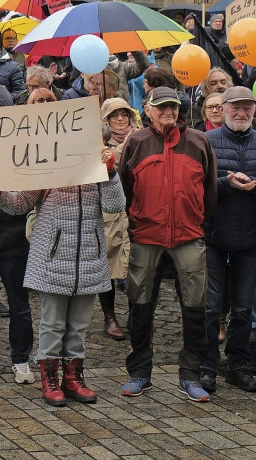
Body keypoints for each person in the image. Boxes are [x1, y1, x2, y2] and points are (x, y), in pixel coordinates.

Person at [0, 143, 124, 407]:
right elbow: (20, 203)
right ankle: (50, 379)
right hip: (53, 259)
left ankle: (72, 378)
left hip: (88, 257)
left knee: (79, 324)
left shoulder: (97, 162)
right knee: (52, 324)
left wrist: (110, 172)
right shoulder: (47, 163)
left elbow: (115, 205)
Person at [118, 86, 217, 401]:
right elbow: (123, 188)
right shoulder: (135, 142)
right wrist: (136, 221)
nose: (168, 112)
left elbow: (210, 190)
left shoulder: (198, 142)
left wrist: (196, 220)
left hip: (189, 235)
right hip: (146, 236)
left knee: (195, 308)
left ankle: (190, 375)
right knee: (140, 306)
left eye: (173, 106)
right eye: (161, 107)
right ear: (147, 110)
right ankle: (139, 373)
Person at [199, 86, 256, 394]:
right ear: (223, 108)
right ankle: (207, 365)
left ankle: (238, 365)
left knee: (243, 308)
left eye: (247, 108)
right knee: (210, 306)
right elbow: (197, 186)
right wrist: (225, 183)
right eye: (236, 107)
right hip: (214, 234)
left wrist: (255, 183)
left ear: (255, 110)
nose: (241, 113)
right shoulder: (206, 140)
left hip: (251, 238)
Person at [99, 98, 138, 341]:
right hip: (110, 211)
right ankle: (109, 316)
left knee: (136, 265)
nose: (120, 119)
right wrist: (126, 145)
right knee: (108, 263)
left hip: (136, 210)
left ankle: (135, 313)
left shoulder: (141, 137)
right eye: (114, 115)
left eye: (124, 114)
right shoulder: (100, 142)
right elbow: (108, 164)